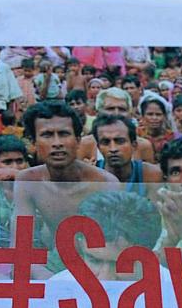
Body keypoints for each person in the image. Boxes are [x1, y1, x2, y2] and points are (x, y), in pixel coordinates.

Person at [12, 101, 118, 252]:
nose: (57, 143)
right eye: (47, 135)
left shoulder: (106, 183)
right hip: (52, 264)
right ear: (34, 143)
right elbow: (20, 243)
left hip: (99, 263)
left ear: (78, 140)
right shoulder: (27, 180)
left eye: (64, 134)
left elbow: (116, 246)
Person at [50, 190, 164, 283]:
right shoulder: (58, 288)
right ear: (81, 248)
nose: (104, 279)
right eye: (94, 260)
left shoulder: (173, 293)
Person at [92, 114, 164, 192]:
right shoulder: (91, 176)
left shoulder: (151, 175)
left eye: (120, 141)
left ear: (134, 145)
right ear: (98, 147)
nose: (113, 149)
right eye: (105, 142)